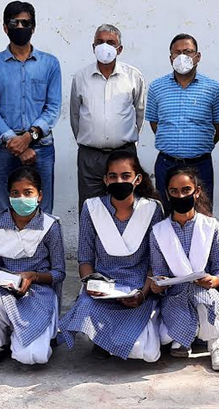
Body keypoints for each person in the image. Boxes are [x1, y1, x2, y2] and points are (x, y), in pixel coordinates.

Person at [59, 151, 163, 362]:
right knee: (87, 307)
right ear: (105, 180)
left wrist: (142, 294)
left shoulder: (151, 209)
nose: (119, 181)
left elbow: (155, 262)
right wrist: (93, 285)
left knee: (145, 353)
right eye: (113, 176)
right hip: (104, 287)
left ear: (137, 179)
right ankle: (103, 339)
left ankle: (110, 338)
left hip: (137, 289)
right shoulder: (92, 208)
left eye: (125, 176)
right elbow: (85, 260)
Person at [0, 166, 66, 367]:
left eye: (28, 193)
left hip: (38, 293)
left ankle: (29, 335)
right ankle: (0, 343)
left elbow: (59, 272)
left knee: (33, 357)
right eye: (15, 193)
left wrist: (34, 277)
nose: (21, 198)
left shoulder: (50, 225)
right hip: (5, 289)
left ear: (39, 196)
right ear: (8, 196)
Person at [149, 166, 219, 372]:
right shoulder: (159, 232)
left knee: (205, 303)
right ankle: (192, 333)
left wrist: (213, 281)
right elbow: (159, 272)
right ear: (168, 194)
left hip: (205, 292)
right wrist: (158, 284)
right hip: (176, 296)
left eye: (186, 190)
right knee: (164, 337)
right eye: (174, 191)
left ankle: (216, 344)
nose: (180, 195)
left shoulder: (211, 226)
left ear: (196, 191)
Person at [0, 0, 62, 214]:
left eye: (25, 23)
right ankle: (7, 248)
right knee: (4, 209)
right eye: (14, 23)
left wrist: (28, 139)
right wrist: (12, 140)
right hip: (3, 149)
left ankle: (42, 248)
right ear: (5, 28)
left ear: (33, 28)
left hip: (41, 147)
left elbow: (53, 107)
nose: (20, 28)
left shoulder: (50, 64)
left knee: (42, 209)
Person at [145, 34, 219, 208]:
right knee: (165, 214)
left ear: (198, 56)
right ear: (171, 58)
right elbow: (155, 123)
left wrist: (199, 146)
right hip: (166, 164)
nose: (183, 57)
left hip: (200, 165)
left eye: (188, 52)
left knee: (202, 214)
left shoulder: (214, 88)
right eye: (177, 52)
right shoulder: (156, 87)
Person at [69, 24, 144, 212]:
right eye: (100, 42)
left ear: (120, 49)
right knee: (90, 208)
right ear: (93, 47)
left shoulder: (133, 76)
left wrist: (125, 139)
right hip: (90, 156)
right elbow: (75, 115)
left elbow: (140, 113)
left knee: (126, 207)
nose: (105, 47)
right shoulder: (81, 77)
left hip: (124, 154)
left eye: (110, 42)